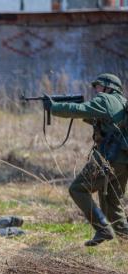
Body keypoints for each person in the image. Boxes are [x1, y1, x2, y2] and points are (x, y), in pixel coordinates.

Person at [46, 73, 128, 246]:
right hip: (123, 161)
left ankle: (103, 229)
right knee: (111, 201)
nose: (96, 90)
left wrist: (54, 108)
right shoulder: (121, 102)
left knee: (78, 189)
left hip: (110, 158)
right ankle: (125, 242)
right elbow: (101, 121)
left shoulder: (105, 99)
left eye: (98, 86)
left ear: (107, 87)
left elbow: (80, 111)